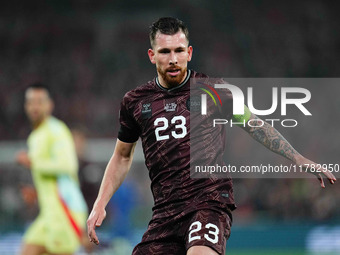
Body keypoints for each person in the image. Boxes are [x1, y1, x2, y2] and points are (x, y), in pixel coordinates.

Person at [87, 17, 336, 255]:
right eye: (165, 52)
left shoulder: (214, 91)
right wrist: (100, 203)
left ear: (190, 53)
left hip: (209, 200)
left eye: (179, 50)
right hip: (165, 211)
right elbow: (121, 156)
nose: (173, 59)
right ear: (152, 55)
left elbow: (256, 124)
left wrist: (297, 158)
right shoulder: (135, 102)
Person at [16, 83, 88, 255]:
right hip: (49, 214)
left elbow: (67, 165)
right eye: (31, 102)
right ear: (26, 106)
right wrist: (37, 192)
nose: (35, 106)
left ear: (49, 105)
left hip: (64, 213)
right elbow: (54, 180)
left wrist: (33, 162)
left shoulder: (56, 130)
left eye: (40, 101)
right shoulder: (36, 135)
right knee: (27, 249)